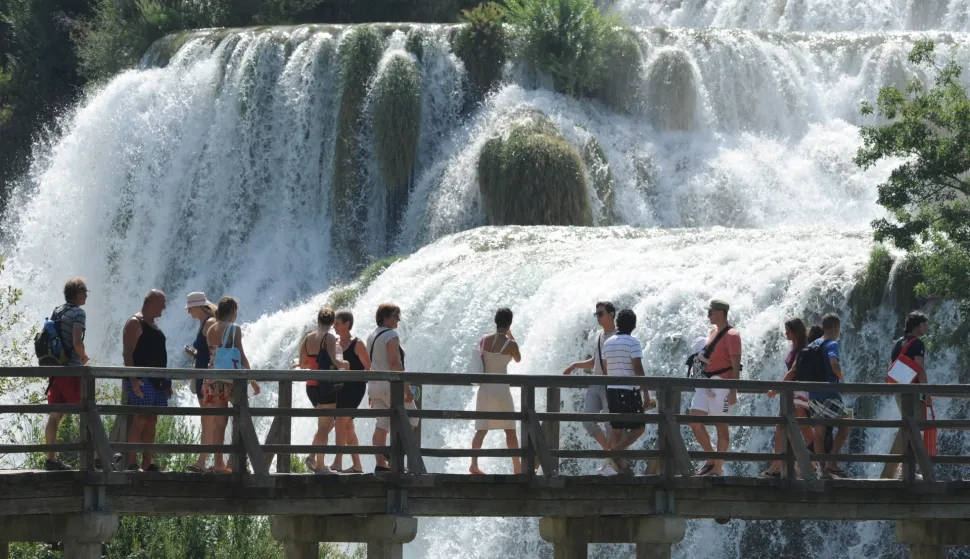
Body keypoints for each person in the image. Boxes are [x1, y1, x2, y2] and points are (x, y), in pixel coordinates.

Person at [204, 296, 261, 474]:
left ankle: (218, 462)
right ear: (233, 311)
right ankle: (236, 462)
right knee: (241, 417)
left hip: (213, 378)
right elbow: (240, 354)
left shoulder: (210, 328)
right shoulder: (233, 328)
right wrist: (252, 379)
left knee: (219, 422)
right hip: (231, 379)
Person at [563, 301, 616, 474]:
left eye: (600, 313)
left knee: (610, 426)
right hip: (596, 382)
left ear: (611, 314)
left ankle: (612, 463)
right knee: (587, 419)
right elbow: (595, 362)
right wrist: (575, 365)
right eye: (596, 314)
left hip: (610, 385)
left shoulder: (617, 336)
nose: (597, 317)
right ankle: (613, 457)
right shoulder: (599, 336)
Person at [689, 300, 741, 477]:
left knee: (722, 428)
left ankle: (718, 469)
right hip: (708, 381)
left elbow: (735, 365)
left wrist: (733, 390)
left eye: (710, 312)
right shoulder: (713, 332)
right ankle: (711, 460)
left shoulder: (733, 335)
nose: (708, 315)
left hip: (722, 384)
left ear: (720, 312)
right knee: (694, 421)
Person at [44, 277, 90, 471]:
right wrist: (84, 357)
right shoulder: (78, 313)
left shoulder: (57, 310)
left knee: (55, 416)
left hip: (56, 370)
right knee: (88, 412)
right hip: (72, 370)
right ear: (79, 293)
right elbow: (77, 341)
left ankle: (51, 459)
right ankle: (96, 459)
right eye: (85, 292)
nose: (87, 296)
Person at [366, 303, 419, 473]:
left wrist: (371, 391)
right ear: (386, 317)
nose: (398, 319)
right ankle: (393, 454)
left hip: (374, 384)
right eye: (396, 316)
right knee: (412, 419)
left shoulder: (371, 335)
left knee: (381, 425)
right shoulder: (391, 335)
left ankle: (380, 464)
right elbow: (395, 364)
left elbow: (372, 363)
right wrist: (407, 389)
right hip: (390, 385)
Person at [469, 308, 522, 475]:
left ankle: (474, 464)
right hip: (501, 390)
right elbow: (518, 359)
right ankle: (517, 467)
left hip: (485, 389)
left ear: (496, 320)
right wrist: (512, 338)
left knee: (481, 429)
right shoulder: (510, 344)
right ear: (510, 323)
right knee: (510, 429)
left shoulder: (484, 339)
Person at [121, 290, 170, 472]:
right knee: (140, 418)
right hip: (142, 379)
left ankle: (147, 463)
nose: (164, 307)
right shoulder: (135, 322)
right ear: (151, 303)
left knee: (151, 420)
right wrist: (133, 379)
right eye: (162, 303)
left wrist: (166, 383)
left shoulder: (153, 324)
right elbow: (127, 353)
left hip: (157, 380)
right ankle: (131, 463)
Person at [299, 307, 349, 474]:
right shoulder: (329, 337)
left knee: (325, 424)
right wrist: (346, 364)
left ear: (318, 320)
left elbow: (302, 364)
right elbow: (335, 361)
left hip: (311, 386)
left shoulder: (308, 338)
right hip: (325, 386)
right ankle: (320, 465)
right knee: (324, 425)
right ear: (332, 322)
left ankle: (313, 457)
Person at [763, 318, 815, 477]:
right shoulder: (795, 347)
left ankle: (815, 462)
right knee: (783, 425)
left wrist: (777, 388)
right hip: (792, 392)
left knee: (804, 429)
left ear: (795, 331)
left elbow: (793, 371)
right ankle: (780, 464)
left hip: (799, 392)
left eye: (788, 330)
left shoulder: (802, 349)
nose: (785, 333)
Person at [601, 308, 650, 476]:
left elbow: (607, 369)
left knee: (617, 429)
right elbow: (638, 368)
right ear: (633, 325)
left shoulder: (607, 342)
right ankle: (614, 453)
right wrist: (646, 393)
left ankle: (619, 467)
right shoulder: (633, 342)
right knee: (639, 428)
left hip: (612, 390)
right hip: (629, 390)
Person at [805, 313, 852, 479]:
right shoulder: (832, 344)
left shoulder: (814, 343)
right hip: (829, 393)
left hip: (813, 394)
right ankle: (832, 462)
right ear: (836, 328)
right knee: (845, 426)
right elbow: (834, 363)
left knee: (819, 433)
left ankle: (823, 469)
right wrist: (841, 376)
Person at [886, 310, 931, 479]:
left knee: (907, 426)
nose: (926, 327)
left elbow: (891, 366)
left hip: (899, 390)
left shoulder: (897, 343)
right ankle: (906, 472)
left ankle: (901, 470)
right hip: (912, 390)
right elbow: (919, 369)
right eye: (924, 324)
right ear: (917, 326)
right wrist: (927, 393)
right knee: (914, 426)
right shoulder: (917, 344)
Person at [330, 310, 370, 474]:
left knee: (341, 421)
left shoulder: (357, 343)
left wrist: (371, 391)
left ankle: (337, 462)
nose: (334, 327)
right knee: (348, 427)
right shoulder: (336, 343)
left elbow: (369, 367)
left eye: (337, 323)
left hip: (355, 388)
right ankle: (357, 465)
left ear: (347, 324)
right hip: (339, 387)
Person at [184, 292, 218, 473]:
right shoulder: (204, 324)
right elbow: (208, 352)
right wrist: (196, 354)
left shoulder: (210, 324)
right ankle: (215, 461)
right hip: (202, 377)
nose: (188, 311)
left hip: (206, 379)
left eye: (190, 307)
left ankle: (203, 462)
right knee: (209, 420)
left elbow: (215, 352)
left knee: (208, 420)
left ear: (199, 307)